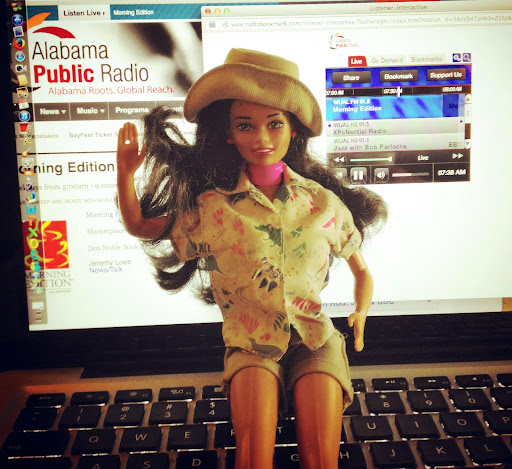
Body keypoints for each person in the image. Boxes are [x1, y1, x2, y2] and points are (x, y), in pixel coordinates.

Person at [117, 48, 387, 469]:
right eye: (245, 125)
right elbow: (141, 226)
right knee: (253, 456)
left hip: (315, 338)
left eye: (274, 124)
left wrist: (362, 310)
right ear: (229, 133)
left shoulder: (322, 203)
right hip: (250, 343)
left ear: (293, 130)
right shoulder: (212, 209)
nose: (261, 138)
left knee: (322, 458)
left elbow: (361, 270)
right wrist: (125, 175)